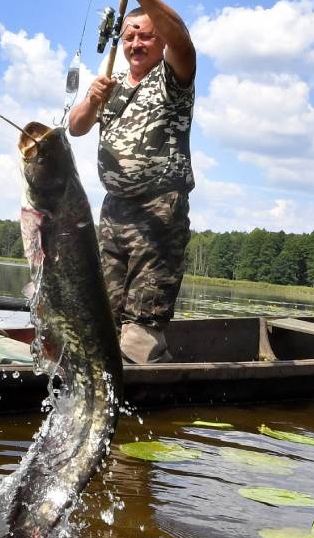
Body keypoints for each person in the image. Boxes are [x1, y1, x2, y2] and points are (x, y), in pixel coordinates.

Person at [68, 0, 196, 364]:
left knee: (142, 323)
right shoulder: (112, 82)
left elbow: (182, 41)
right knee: (103, 314)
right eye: (129, 37)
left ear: (160, 40)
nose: (135, 44)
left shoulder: (173, 75)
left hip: (158, 212)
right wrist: (92, 100)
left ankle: (153, 381)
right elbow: (76, 127)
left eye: (146, 36)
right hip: (114, 212)